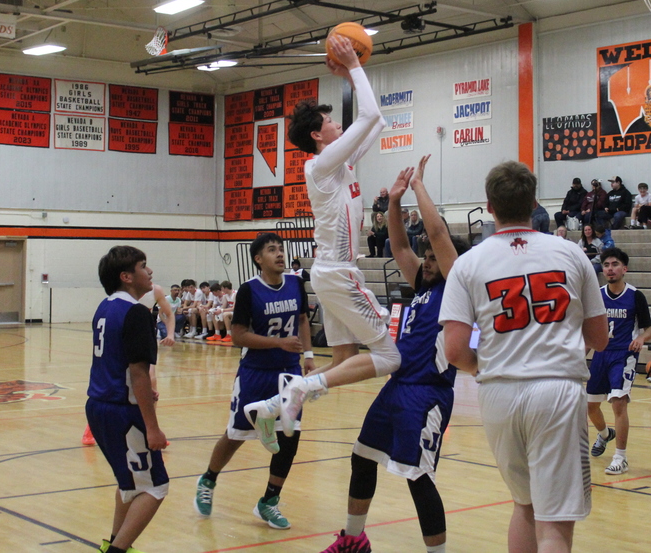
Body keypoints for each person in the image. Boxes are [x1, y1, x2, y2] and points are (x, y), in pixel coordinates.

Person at [440, 160, 608, 553]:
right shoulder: (570, 253)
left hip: (498, 391)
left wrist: (490, 366)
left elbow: (454, 350)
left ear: (489, 206)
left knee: (525, 505)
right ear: (534, 202)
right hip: (556, 390)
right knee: (554, 525)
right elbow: (599, 339)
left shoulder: (468, 264)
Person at [244, 34, 400, 442]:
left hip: (331, 273)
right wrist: (352, 67)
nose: (338, 125)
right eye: (331, 122)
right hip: (339, 273)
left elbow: (376, 118)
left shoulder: (339, 161)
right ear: (317, 135)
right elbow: (365, 118)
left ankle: (272, 407)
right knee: (389, 356)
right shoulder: (320, 166)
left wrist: (352, 75)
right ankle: (297, 388)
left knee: (346, 358)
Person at [322, 155, 466, 553]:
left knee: (417, 477)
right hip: (397, 386)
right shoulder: (423, 282)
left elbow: (436, 232)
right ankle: (354, 540)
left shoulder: (458, 284)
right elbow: (400, 243)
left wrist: (419, 186)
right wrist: (395, 202)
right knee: (362, 456)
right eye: (430, 258)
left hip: (427, 392)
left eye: (436, 257)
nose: (430, 261)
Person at [193, 233, 313, 529]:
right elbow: (238, 336)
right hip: (256, 372)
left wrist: (308, 354)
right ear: (258, 258)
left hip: (289, 374)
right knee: (236, 434)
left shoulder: (297, 283)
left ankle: (269, 501)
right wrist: (278, 343)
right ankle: (208, 478)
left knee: (290, 436)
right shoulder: (249, 290)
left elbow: (302, 320)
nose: (280, 254)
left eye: (281, 249)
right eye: (272, 250)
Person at [85, 246, 168, 553]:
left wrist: (139, 390)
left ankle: (113, 544)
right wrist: (153, 427)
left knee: (128, 484)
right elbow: (138, 373)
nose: (150, 272)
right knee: (156, 486)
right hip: (122, 411)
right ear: (127, 277)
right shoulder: (136, 313)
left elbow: (114, 362)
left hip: (98, 405)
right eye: (143, 266)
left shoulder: (103, 307)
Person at [586, 248, 651, 475]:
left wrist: (641, 338)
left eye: (615, 264)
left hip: (623, 356)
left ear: (624, 268)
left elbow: (649, 330)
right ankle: (605, 434)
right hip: (600, 354)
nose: (610, 268)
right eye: (606, 265)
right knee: (590, 406)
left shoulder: (636, 296)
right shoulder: (597, 294)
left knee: (618, 403)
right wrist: (579, 355)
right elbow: (591, 330)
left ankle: (620, 457)